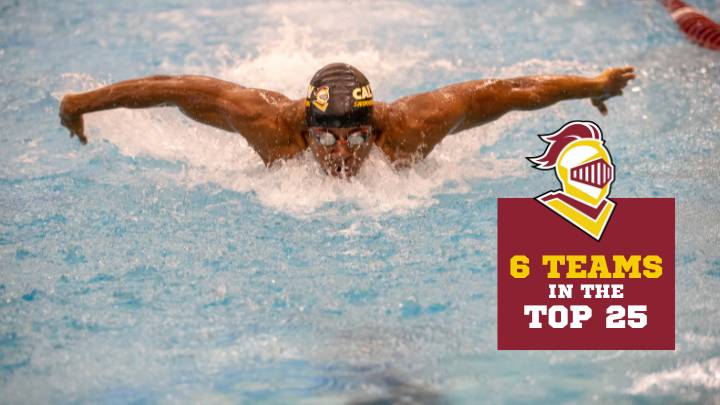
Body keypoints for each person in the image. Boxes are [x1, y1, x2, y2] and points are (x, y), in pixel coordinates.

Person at [59, 63, 635, 178]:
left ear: (376, 128)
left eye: (356, 137)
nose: (340, 154)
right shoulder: (265, 123)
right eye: (326, 138)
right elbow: (170, 90)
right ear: (304, 129)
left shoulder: (414, 125)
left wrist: (592, 87)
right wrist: (80, 104)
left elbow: (508, 91)